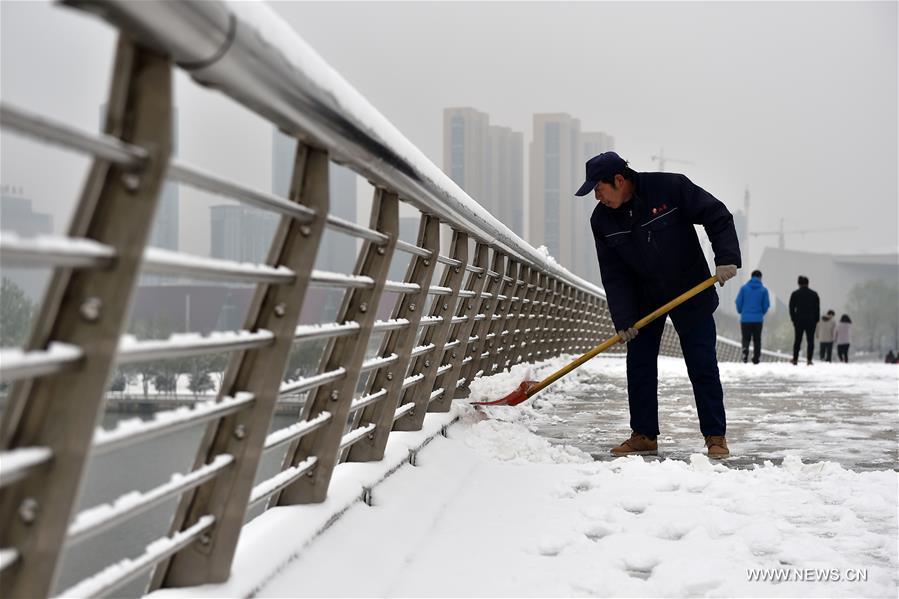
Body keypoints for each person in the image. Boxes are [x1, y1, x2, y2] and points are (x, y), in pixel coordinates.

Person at [578, 151, 741, 459]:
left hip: (689, 289)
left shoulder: (670, 188)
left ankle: (715, 436)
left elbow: (716, 215)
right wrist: (623, 319)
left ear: (619, 180)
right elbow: (614, 274)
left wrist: (726, 257)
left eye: (599, 189)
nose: (597, 198)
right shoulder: (601, 220)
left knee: (702, 364)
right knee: (639, 365)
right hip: (643, 298)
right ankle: (643, 435)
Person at [735, 270, 770, 364]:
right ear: (760, 277)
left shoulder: (743, 288)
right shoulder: (764, 290)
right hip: (758, 319)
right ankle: (756, 358)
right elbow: (766, 305)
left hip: (745, 319)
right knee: (757, 339)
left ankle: (745, 352)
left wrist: (741, 311)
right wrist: (761, 313)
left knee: (746, 338)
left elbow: (738, 302)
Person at [789, 275, 820, 365]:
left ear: (799, 284)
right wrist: (816, 320)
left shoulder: (795, 294)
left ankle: (795, 359)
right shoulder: (814, 294)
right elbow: (817, 309)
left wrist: (793, 319)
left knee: (798, 340)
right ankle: (809, 360)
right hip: (811, 320)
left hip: (799, 320)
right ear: (808, 283)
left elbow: (791, 308)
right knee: (810, 341)